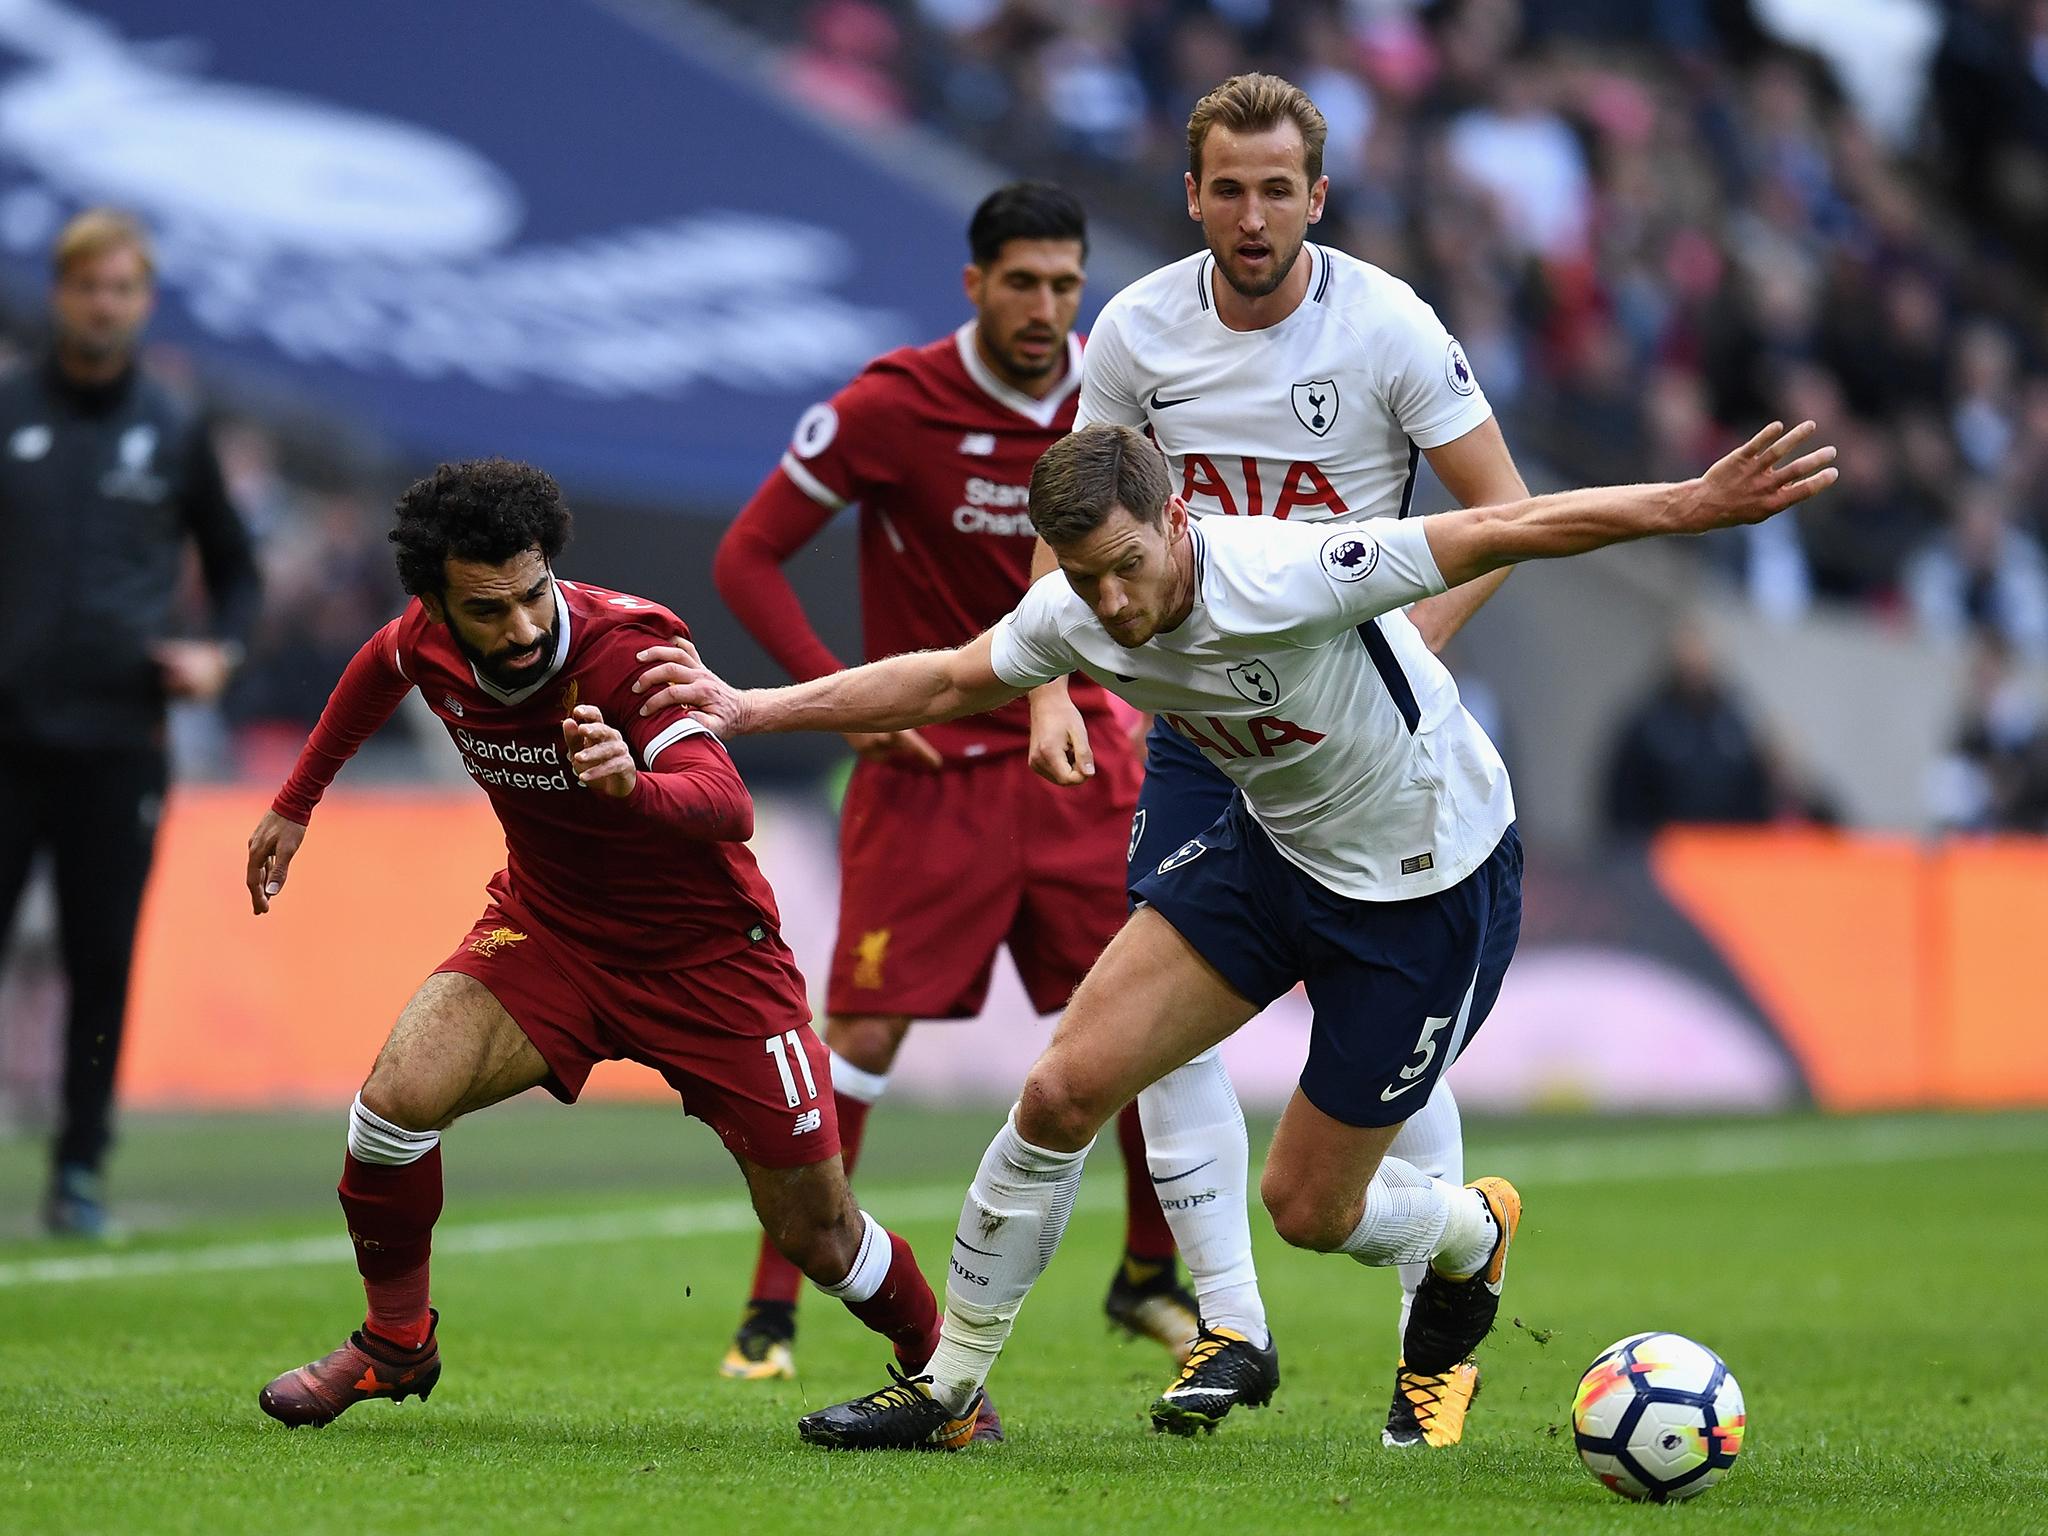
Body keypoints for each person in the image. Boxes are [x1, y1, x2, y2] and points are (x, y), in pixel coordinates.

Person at [630, 416, 1838, 1451]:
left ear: (1175, 518)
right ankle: (947, 1389)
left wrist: (1686, 504)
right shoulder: (1078, 607)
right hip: (1271, 859)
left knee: (1307, 1211)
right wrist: (747, 707)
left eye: (1122, 567)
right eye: (1081, 576)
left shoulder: (1290, 570)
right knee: (1059, 1094)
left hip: (1426, 886)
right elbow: (949, 681)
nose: (1109, 604)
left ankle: (1473, 1230)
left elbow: (1500, 529)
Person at [243, 460, 980, 1436]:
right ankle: (395, 1344)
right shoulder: (426, 636)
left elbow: (726, 804)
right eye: (487, 610)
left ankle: (950, 1387)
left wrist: (633, 788)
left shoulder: (628, 652)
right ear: (437, 603)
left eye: (531, 594)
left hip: (711, 963)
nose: (518, 626)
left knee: (819, 1233)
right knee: (391, 1107)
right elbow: (380, 667)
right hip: (551, 934)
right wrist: (296, 802)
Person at [1022, 73, 1532, 1446]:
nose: (1252, 216)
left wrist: (1413, 645)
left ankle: (1437, 1337)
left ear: (1319, 196)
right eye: (1227, 189)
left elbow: (1503, 509)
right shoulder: (1135, 333)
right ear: (1191, 197)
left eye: (1277, 189)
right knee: (1163, 1010)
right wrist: (1057, 679)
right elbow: (1071, 509)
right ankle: (1230, 1328)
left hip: (1363, 730)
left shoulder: (1387, 327)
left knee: (1384, 1058)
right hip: (1201, 723)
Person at [706, 182, 1198, 1379]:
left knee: (1136, 1020)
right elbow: (746, 556)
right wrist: (842, 697)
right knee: (860, 1029)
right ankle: (772, 1309)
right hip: (928, 764)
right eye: (1020, 282)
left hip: (1075, 754)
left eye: (1064, 284)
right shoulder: (892, 405)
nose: (1044, 307)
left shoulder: (1114, 402)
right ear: (973, 284)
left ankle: (1146, 1274)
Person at [0, 207, 260, 1237]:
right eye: (85, 286)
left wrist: (220, 654)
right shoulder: (7, 410)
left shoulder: (175, 425)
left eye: (120, 289)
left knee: (101, 957)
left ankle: (79, 1170)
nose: (101, 304)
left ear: (142, 303)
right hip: (5, 737)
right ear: (59, 293)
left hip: (118, 743)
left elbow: (236, 574)